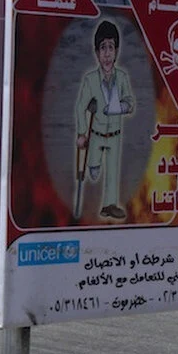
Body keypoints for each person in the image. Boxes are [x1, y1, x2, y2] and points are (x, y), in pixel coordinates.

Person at [74, 19, 135, 221]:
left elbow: (130, 101)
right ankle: (93, 164)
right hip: (96, 134)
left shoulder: (122, 78)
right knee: (93, 168)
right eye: (103, 48)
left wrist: (122, 107)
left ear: (117, 50)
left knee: (112, 172)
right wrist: (82, 133)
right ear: (97, 52)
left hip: (115, 134)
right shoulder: (90, 80)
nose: (107, 53)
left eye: (111, 47)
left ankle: (109, 205)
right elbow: (80, 107)